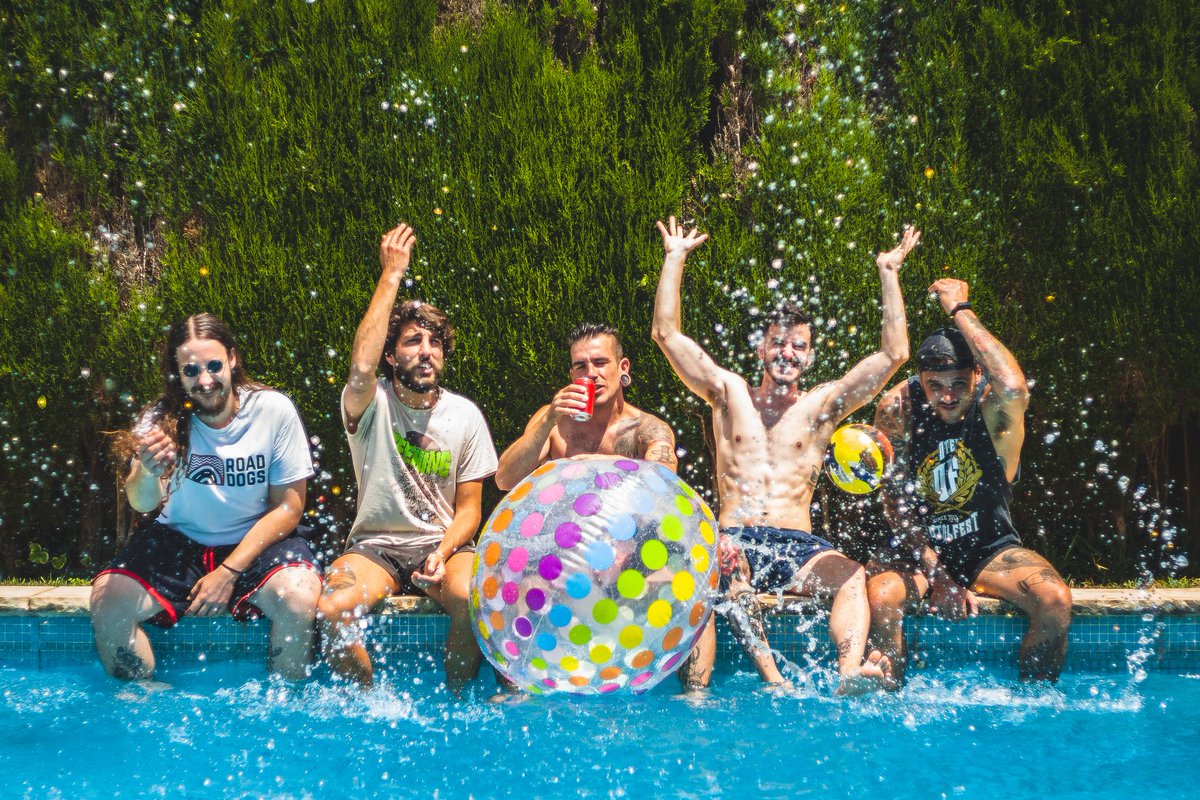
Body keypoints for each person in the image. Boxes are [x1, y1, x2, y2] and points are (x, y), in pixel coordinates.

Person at [652, 215, 919, 695]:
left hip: (798, 547)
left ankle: (847, 672)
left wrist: (889, 272)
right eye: (778, 342)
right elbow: (666, 336)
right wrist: (675, 259)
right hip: (736, 537)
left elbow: (893, 356)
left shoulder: (822, 407)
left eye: (799, 346)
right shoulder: (727, 393)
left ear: (811, 357)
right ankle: (774, 679)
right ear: (760, 348)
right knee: (729, 567)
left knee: (854, 577)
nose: (788, 353)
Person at [91, 314, 322, 681]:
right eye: (191, 370)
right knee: (108, 604)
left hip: (255, 540)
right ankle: (145, 708)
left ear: (232, 358)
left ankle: (285, 707)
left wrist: (228, 572)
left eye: (214, 365)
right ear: (177, 374)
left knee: (299, 596)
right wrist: (147, 471)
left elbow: (290, 507)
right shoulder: (160, 420)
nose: (204, 380)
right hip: (177, 541)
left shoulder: (272, 411)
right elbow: (142, 503)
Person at [318, 223, 498, 691]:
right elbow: (359, 364)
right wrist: (392, 275)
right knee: (331, 608)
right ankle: (369, 705)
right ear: (392, 356)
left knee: (476, 601)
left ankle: (459, 706)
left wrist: (440, 554)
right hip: (375, 548)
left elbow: (471, 511)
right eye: (412, 342)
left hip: (442, 547)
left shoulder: (464, 415)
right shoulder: (370, 401)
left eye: (434, 343)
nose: (426, 352)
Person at [867, 278, 1072, 685]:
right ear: (920, 380)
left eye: (959, 383)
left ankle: (1036, 703)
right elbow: (894, 505)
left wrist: (960, 309)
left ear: (977, 376)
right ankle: (889, 699)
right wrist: (938, 574)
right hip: (919, 555)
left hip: (989, 551)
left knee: (1054, 598)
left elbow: (1013, 385)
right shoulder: (898, 410)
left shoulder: (993, 411)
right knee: (881, 597)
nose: (947, 396)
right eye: (935, 386)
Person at [494, 322, 717, 689]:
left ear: (623, 369)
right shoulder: (555, 423)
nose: (591, 374)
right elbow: (504, 479)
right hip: (561, 550)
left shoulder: (646, 430)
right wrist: (549, 417)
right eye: (580, 366)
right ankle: (516, 695)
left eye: (600, 362)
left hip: (630, 551)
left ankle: (695, 697)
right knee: (519, 583)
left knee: (690, 586)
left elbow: (660, 491)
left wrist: (619, 547)